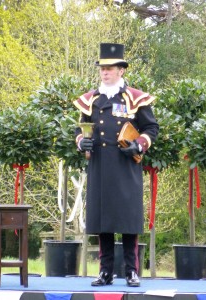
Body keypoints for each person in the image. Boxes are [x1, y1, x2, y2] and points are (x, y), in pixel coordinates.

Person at [74, 43, 159, 287]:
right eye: (102, 68)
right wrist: (82, 143)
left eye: (110, 68)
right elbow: (80, 130)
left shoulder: (135, 98)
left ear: (121, 70)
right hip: (100, 166)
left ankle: (132, 271)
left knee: (128, 220)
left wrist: (140, 144)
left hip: (125, 165)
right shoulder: (91, 99)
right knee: (104, 222)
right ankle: (105, 272)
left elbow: (151, 128)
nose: (105, 72)